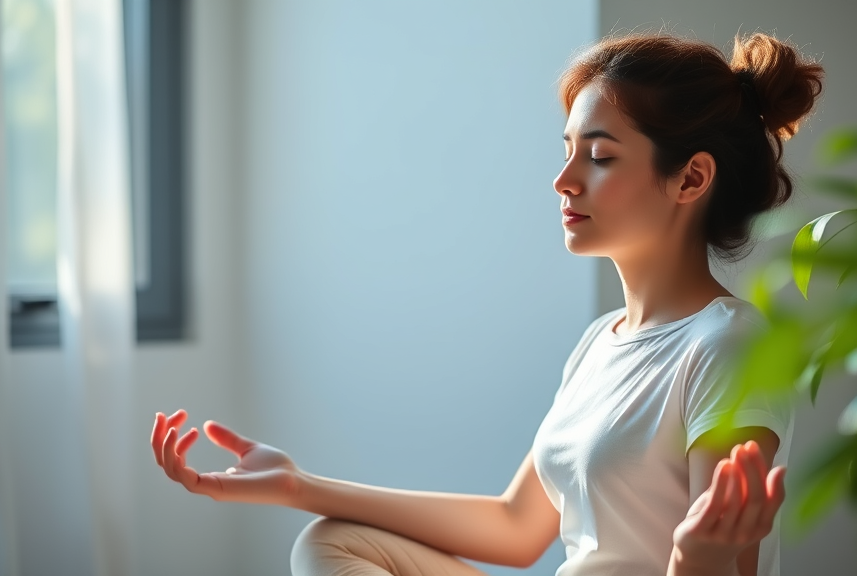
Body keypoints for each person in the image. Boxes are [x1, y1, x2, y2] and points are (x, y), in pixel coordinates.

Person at [151, 30, 823, 576]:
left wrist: (691, 558)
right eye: (567, 152)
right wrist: (298, 485)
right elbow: (517, 525)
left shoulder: (728, 345)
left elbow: (727, 564)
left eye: (600, 156)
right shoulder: (600, 344)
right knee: (329, 545)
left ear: (691, 178)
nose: (563, 180)